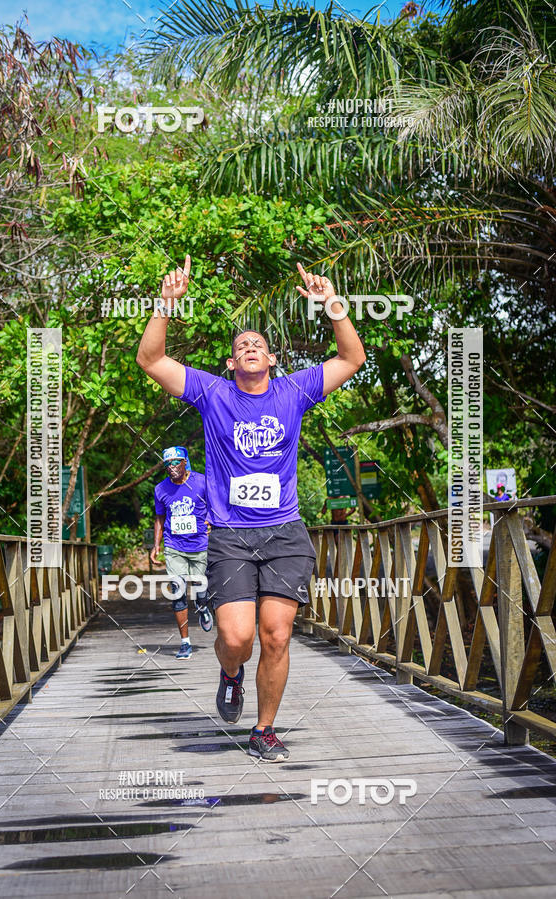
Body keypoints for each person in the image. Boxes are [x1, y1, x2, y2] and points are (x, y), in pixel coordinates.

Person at [137, 256, 365, 760]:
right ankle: (230, 671)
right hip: (231, 536)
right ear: (231, 363)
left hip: (284, 533)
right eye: (241, 346)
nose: (249, 347)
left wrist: (332, 305)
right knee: (237, 638)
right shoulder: (213, 393)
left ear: (272, 358)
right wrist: (165, 305)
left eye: (257, 344)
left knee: (276, 636)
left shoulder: (294, 391)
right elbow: (151, 360)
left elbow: (351, 359)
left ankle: (263, 729)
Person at [151, 445, 212, 659]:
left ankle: (203, 606)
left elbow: (216, 505)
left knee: (200, 587)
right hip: (174, 545)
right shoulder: (161, 489)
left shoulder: (202, 482)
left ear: (185, 461)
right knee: (177, 591)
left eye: (175, 462)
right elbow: (160, 517)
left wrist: (211, 521)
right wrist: (156, 544)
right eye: (167, 463)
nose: (171, 467)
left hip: (200, 544)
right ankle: (185, 642)